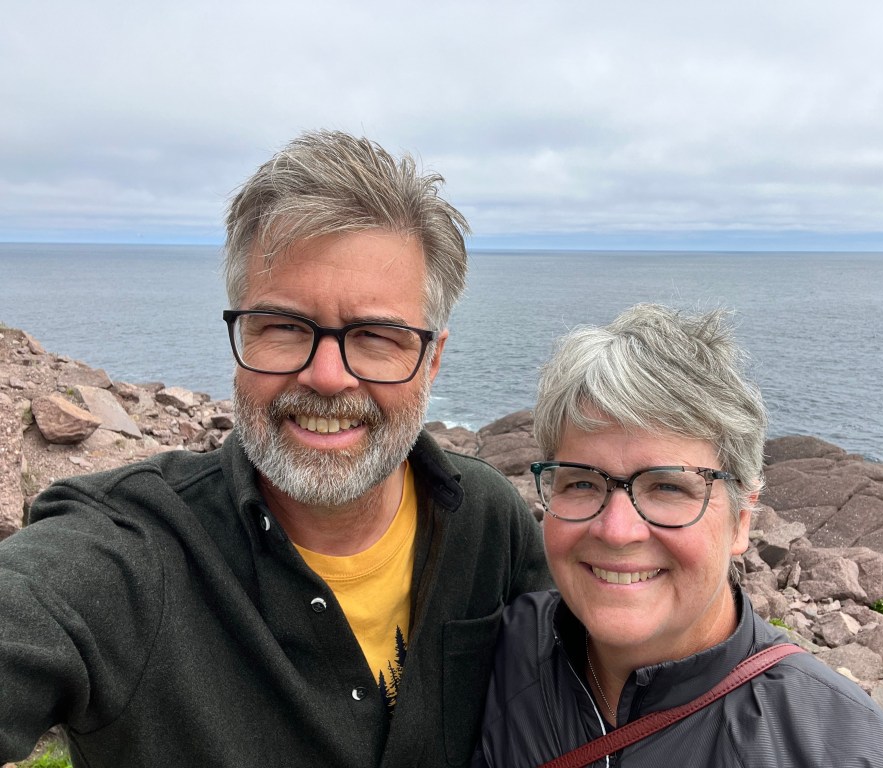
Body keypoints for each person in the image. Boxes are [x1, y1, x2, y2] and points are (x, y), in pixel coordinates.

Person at [0, 131, 549, 768]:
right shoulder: (127, 553)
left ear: (433, 359)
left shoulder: (486, 520)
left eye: (375, 335)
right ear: (240, 329)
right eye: (285, 327)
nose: (326, 376)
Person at [473, 304, 883, 767]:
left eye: (668, 487)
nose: (616, 530)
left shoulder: (844, 750)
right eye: (582, 483)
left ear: (742, 519)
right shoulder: (495, 648)